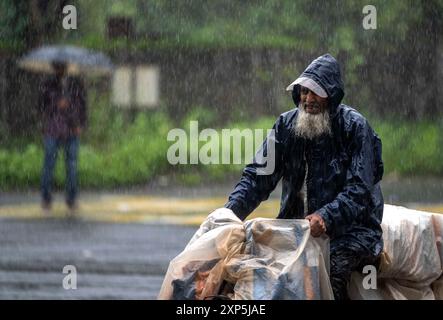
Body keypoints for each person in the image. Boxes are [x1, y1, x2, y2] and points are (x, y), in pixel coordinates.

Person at [223, 54, 384, 300]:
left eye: (315, 92)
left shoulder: (354, 128)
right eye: (303, 92)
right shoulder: (286, 126)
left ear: (331, 95)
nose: (307, 99)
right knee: (249, 265)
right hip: (295, 228)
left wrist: (326, 217)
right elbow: (257, 177)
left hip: (353, 232)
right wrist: (228, 215)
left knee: (329, 271)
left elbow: (359, 190)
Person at [38, 61, 87, 212]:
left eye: (62, 66)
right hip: (53, 129)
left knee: (72, 166)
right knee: (49, 165)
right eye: (57, 67)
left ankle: (71, 200)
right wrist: (56, 104)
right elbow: (40, 106)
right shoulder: (47, 84)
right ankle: (46, 199)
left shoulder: (75, 83)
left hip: (72, 129)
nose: (60, 70)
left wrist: (81, 123)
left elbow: (82, 104)